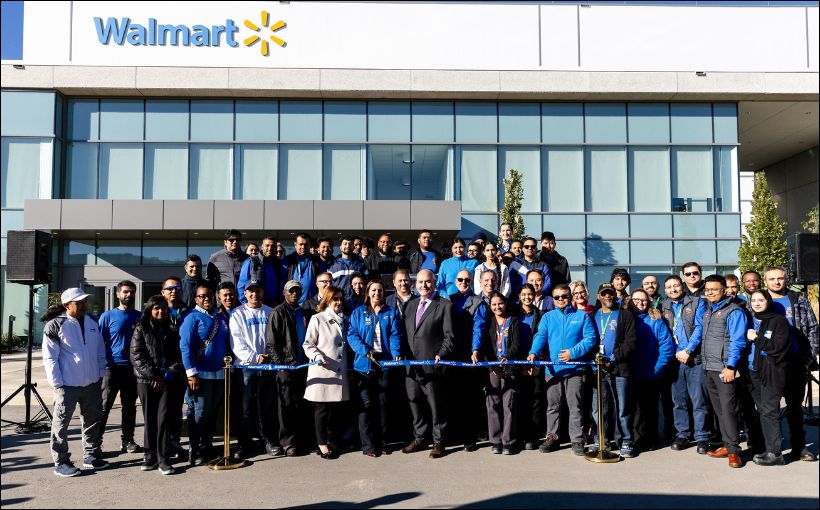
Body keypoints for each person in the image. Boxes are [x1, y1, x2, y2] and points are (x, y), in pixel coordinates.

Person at [42, 288, 109, 477]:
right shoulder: (55, 325)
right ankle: (61, 461)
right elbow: (50, 358)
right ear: (66, 305)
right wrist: (57, 384)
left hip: (92, 383)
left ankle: (91, 455)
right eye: (79, 302)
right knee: (61, 425)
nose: (84, 305)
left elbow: (99, 350)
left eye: (85, 301)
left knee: (92, 421)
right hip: (67, 385)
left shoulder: (92, 322)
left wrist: (100, 373)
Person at [527, 284, 595, 456]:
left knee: (575, 407)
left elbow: (590, 338)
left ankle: (577, 439)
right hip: (553, 370)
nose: (560, 300)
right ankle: (552, 436)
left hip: (575, 369)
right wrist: (533, 351)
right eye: (557, 297)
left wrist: (573, 353)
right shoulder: (548, 317)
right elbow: (541, 335)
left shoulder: (582, 316)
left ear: (570, 296)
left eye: (564, 296)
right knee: (553, 406)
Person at [762, 266, 818, 462]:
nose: (777, 282)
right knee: (770, 409)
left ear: (786, 279)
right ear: (765, 281)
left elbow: (813, 329)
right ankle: (774, 451)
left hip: (795, 362)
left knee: (795, 408)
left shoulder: (798, 300)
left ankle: (800, 448)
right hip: (769, 364)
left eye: (780, 278)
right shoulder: (759, 301)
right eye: (772, 279)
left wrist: (808, 358)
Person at [401, 269, 455, 459]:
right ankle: (420, 438)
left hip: (433, 366)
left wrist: (441, 354)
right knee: (415, 402)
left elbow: (449, 337)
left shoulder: (444, 305)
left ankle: (439, 442)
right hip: (411, 366)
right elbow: (405, 334)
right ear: (416, 284)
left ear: (434, 283)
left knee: (436, 405)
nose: (424, 285)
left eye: (428, 282)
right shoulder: (410, 304)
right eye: (421, 282)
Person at [347, 281, 403, 457]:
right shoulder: (358, 313)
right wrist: (364, 351)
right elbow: (352, 335)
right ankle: (368, 445)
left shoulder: (391, 312)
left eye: (379, 290)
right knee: (366, 405)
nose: (377, 293)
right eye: (373, 290)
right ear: (368, 292)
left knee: (383, 404)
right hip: (364, 364)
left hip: (384, 363)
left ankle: (384, 442)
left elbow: (396, 334)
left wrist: (395, 352)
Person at [130, 294, 184, 475]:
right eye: (156, 308)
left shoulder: (171, 328)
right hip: (146, 381)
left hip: (167, 380)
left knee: (164, 419)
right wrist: (154, 376)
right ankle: (150, 455)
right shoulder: (141, 328)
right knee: (150, 419)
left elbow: (178, 355)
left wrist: (169, 372)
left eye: (163, 308)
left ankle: (163, 458)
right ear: (150, 310)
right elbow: (136, 355)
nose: (160, 311)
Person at [180, 285, 231, 466]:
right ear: (196, 299)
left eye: (209, 295)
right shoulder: (191, 317)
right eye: (202, 296)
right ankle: (196, 450)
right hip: (200, 374)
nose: (206, 298)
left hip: (219, 374)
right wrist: (191, 373)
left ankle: (208, 446)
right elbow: (185, 346)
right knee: (199, 414)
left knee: (211, 414)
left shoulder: (219, 317)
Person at [700, 275, 747, 468]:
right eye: (708, 289)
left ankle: (734, 451)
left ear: (724, 290)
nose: (710, 292)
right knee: (719, 410)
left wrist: (730, 366)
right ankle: (727, 445)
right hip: (709, 367)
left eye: (714, 289)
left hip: (724, 369)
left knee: (728, 410)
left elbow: (738, 341)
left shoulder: (733, 311)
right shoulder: (708, 311)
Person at [229, 279, 279, 459]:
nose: (254, 294)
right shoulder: (237, 314)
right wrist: (255, 357)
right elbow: (236, 342)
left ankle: (268, 440)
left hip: (267, 367)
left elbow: (275, 338)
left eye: (257, 291)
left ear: (262, 292)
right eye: (250, 291)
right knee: (245, 408)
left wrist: (269, 356)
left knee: (266, 406)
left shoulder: (270, 312)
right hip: (246, 367)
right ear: (245, 293)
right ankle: (245, 443)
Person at [661, 275, 710, 454]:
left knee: (698, 400)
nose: (673, 289)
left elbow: (699, 328)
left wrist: (688, 350)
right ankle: (682, 434)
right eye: (669, 287)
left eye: (675, 286)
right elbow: (663, 332)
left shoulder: (697, 302)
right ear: (665, 290)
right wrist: (673, 353)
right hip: (674, 360)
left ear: (682, 286)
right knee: (678, 401)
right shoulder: (663, 306)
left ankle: (702, 437)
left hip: (692, 358)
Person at [303, 286, 351, 460]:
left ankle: (332, 440)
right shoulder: (318, 318)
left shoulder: (345, 319)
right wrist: (317, 356)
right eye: (334, 299)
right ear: (327, 301)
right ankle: (322, 444)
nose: (338, 302)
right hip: (323, 370)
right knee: (322, 410)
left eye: (340, 299)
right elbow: (308, 344)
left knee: (334, 410)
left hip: (340, 370)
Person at [590, 283, 638, 457]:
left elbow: (630, 342)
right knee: (598, 408)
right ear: (599, 295)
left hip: (619, 368)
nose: (608, 297)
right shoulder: (592, 315)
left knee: (622, 407)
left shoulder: (625, 315)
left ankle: (626, 441)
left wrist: (612, 358)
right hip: (597, 369)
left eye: (611, 293)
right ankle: (601, 440)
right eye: (604, 294)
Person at [266, 280, 312, 457]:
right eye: (291, 291)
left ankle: (302, 440)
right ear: (284, 292)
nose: (294, 294)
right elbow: (272, 343)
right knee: (286, 407)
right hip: (286, 367)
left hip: (303, 366)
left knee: (301, 404)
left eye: (297, 291)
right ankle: (287, 442)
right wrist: (282, 365)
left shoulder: (303, 313)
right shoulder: (278, 312)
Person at [745, 290, 791, 466]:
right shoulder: (751, 319)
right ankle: (769, 448)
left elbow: (777, 347)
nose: (757, 303)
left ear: (768, 301)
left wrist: (757, 337)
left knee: (771, 411)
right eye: (753, 300)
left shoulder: (779, 321)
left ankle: (776, 453)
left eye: (760, 300)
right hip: (753, 371)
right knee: (763, 411)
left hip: (772, 372)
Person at [472, 292, 521, 455]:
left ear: (505, 304)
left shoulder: (514, 321)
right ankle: (495, 440)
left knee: (509, 404)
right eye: (493, 304)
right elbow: (485, 347)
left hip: (510, 366)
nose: (497, 307)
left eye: (500, 303)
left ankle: (508, 441)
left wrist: (506, 358)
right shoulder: (488, 323)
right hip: (493, 368)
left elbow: (517, 344)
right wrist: (493, 366)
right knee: (492, 404)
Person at [628, 289, 675, 453]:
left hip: (651, 372)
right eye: (636, 299)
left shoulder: (656, 320)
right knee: (634, 409)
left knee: (650, 408)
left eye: (643, 300)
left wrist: (656, 368)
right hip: (630, 373)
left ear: (648, 301)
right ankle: (636, 439)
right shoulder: (626, 318)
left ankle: (651, 439)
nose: (640, 303)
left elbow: (667, 348)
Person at [98, 280, 141, 455]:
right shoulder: (107, 317)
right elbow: (99, 344)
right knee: (103, 406)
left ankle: (128, 440)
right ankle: (95, 443)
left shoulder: (140, 316)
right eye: (125, 292)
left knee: (129, 407)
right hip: (111, 368)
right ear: (117, 294)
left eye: (132, 292)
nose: (129, 295)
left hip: (132, 369)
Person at [448, 269, 488, 452]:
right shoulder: (449, 300)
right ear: (455, 281)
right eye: (460, 279)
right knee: (453, 396)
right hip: (451, 354)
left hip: (468, 355)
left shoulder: (478, 302)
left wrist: (475, 349)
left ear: (472, 282)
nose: (463, 282)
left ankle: (469, 437)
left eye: (467, 280)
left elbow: (478, 328)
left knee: (470, 398)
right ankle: (454, 434)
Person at [513, 284, 545, 451]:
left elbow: (543, 339)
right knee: (519, 401)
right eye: (524, 294)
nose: (527, 297)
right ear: (519, 296)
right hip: (517, 364)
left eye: (530, 294)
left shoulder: (541, 315)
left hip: (535, 364)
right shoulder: (513, 315)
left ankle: (533, 436)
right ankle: (519, 435)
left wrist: (536, 364)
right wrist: (519, 366)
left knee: (536, 401)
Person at [237, 236, 281, 307]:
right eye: (267, 245)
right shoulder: (252, 262)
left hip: (274, 305)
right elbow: (241, 286)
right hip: (256, 306)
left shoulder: (278, 264)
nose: (270, 248)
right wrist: (246, 305)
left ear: (276, 248)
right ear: (262, 247)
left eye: (273, 246)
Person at [284, 233, 322, 307]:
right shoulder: (288, 260)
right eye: (300, 244)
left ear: (309, 245)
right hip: (291, 305)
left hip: (311, 306)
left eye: (306, 244)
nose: (303, 247)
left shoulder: (317, 261)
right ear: (295, 245)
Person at [329, 235, 369, 299]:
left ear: (353, 247)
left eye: (350, 244)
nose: (347, 246)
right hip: (339, 301)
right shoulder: (332, 265)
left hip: (356, 301)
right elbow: (329, 285)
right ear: (340, 247)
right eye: (345, 244)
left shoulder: (360, 265)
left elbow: (366, 283)